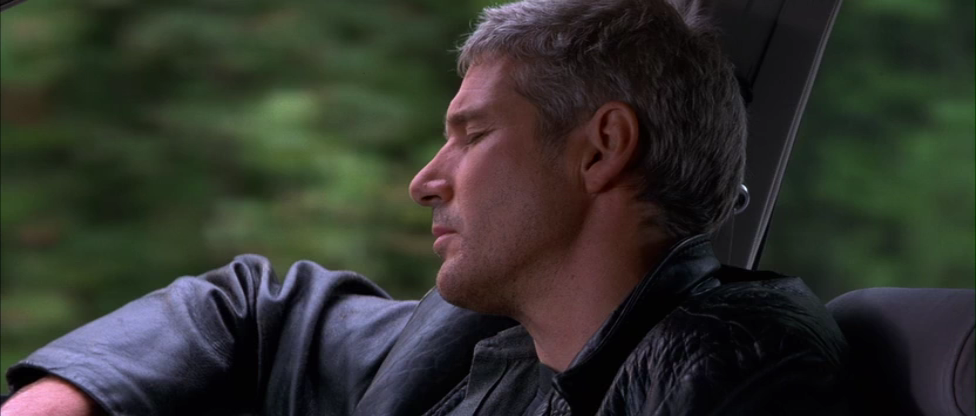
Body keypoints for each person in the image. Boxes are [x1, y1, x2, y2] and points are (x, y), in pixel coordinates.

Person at [1, 0, 849, 414]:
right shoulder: (493, 339)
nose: (425, 180)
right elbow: (253, 312)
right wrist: (64, 400)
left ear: (601, 148)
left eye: (472, 135)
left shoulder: (726, 375)